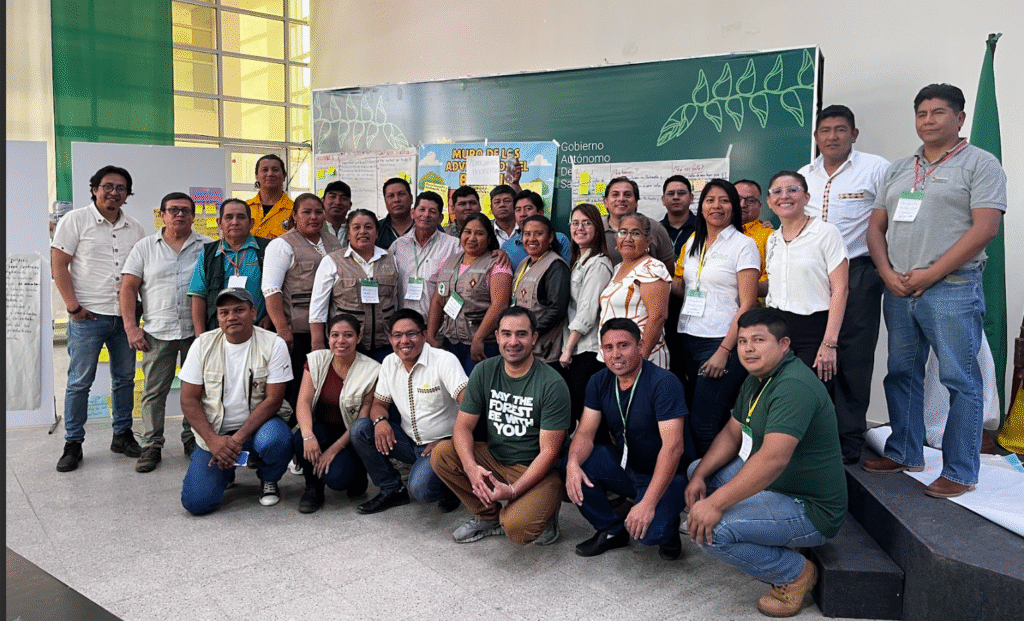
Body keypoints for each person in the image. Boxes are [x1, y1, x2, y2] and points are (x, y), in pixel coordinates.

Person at [865, 83, 1006, 498]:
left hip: (953, 288)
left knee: (960, 379)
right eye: (922, 113)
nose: (928, 120)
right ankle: (906, 451)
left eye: (938, 112)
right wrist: (887, 273)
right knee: (902, 373)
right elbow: (876, 227)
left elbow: (985, 229)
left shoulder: (980, 164)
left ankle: (961, 470)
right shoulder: (897, 169)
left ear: (959, 118)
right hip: (899, 289)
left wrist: (928, 275)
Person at [685, 308, 847, 618]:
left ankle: (794, 574)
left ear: (784, 344)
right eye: (743, 340)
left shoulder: (793, 386)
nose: (747, 348)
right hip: (777, 485)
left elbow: (773, 460)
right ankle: (763, 536)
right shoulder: (758, 378)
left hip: (808, 506)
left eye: (758, 340)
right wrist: (700, 476)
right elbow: (733, 434)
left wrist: (715, 504)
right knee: (699, 472)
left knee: (713, 532)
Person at [798, 105, 891, 465]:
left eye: (840, 130)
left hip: (858, 272)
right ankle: (816, 435)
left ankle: (848, 438)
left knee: (852, 357)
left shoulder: (876, 168)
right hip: (813, 274)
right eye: (825, 130)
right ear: (817, 136)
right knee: (812, 356)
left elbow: (889, 221)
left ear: (854, 134)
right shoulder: (805, 175)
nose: (832, 136)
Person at [431, 307, 570, 546]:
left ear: (534, 338)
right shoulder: (484, 370)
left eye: (521, 334)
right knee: (442, 454)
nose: (513, 342)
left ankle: (546, 510)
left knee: (517, 529)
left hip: (533, 468)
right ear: (496, 337)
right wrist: (471, 467)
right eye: (506, 334)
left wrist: (514, 491)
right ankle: (488, 516)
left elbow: (549, 452)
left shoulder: (551, 383)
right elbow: (463, 426)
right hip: (494, 459)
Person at [564, 318, 691, 560]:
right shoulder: (599, 381)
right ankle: (612, 529)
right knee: (573, 463)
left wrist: (648, 503)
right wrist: (572, 464)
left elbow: (673, 448)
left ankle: (668, 527)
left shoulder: (663, 383)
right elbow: (585, 432)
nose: (616, 354)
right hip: (628, 467)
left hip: (668, 473)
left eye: (624, 345)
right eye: (609, 348)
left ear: (641, 347)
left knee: (648, 534)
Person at [52, 165, 146, 472]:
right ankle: (73, 443)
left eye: (121, 188)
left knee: (124, 379)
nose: (114, 193)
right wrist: (73, 307)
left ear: (127, 195)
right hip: (87, 318)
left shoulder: (135, 228)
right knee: (80, 382)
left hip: (125, 319)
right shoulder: (75, 220)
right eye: (108, 186)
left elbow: (140, 273)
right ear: (94, 189)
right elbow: (59, 266)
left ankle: (122, 434)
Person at [179, 288, 294, 515]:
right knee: (197, 503)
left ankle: (268, 479)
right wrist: (213, 441)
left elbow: (273, 400)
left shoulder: (274, 344)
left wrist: (236, 441)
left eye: (239, 310)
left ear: (253, 312)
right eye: (224, 312)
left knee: (276, 440)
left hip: (259, 427)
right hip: (216, 431)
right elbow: (188, 400)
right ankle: (227, 470)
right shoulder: (202, 345)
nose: (231, 317)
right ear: (218, 317)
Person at [120, 192, 211, 472]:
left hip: (197, 333)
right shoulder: (145, 247)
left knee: (197, 391)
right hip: (157, 332)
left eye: (185, 210)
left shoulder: (207, 247)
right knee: (153, 392)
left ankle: (191, 439)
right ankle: (151, 445)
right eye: (173, 210)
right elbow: (128, 288)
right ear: (162, 215)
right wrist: (131, 327)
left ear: (194, 216)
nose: (179, 215)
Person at [671, 179, 759, 455]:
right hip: (689, 336)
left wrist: (724, 350)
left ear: (734, 207)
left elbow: (747, 305)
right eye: (710, 200)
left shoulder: (744, 245)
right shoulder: (693, 242)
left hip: (721, 341)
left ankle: (713, 489)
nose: (716, 206)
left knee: (704, 423)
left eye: (724, 200)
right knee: (709, 418)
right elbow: (685, 288)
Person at [350, 310, 466, 514]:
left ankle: (452, 485)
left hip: (443, 445)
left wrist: (449, 442)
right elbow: (378, 404)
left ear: (423, 335)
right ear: (390, 339)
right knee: (361, 429)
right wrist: (379, 422)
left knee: (421, 490)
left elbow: (470, 405)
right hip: (410, 442)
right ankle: (392, 489)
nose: (405, 341)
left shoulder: (444, 360)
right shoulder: (389, 362)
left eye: (411, 334)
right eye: (398, 335)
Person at [764, 171, 848, 383]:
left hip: (813, 331)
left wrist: (829, 343)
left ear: (807, 198)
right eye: (777, 191)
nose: (784, 196)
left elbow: (840, 289)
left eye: (793, 190)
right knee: (774, 393)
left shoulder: (827, 233)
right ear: (769, 201)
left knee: (803, 395)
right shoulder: (772, 239)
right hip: (776, 330)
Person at [262, 193, 343, 408]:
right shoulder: (282, 245)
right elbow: (271, 290)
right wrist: (282, 329)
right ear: (295, 216)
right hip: (298, 330)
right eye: (306, 212)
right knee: (300, 386)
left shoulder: (333, 242)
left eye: (318, 212)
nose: (313, 217)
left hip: (331, 328)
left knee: (328, 387)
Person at [292, 313, 379, 513]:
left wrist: (332, 452)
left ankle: (357, 473)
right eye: (334, 335)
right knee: (299, 439)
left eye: (348, 335)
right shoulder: (316, 360)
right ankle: (313, 488)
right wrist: (307, 435)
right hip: (322, 428)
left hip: (350, 435)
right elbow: (303, 402)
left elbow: (362, 421)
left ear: (358, 337)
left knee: (338, 479)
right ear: (328, 337)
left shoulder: (372, 370)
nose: (340, 341)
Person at [427, 213, 512, 374]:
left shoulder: (497, 264)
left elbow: (500, 306)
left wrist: (478, 339)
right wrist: (431, 336)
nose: (472, 238)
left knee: (473, 393)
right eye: (467, 232)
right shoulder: (451, 261)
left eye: (479, 233)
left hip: (483, 344)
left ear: (488, 238)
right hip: (450, 341)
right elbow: (438, 300)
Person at [309, 209, 398, 362]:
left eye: (368, 227)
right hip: (347, 346)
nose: (363, 232)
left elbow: (396, 300)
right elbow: (318, 307)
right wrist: (317, 344)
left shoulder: (390, 259)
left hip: (385, 343)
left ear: (377, 232)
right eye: (356, 227)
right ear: (348, 234)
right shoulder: (332, 261)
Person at [559, 203, 614, 426]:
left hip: (586, 350)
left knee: (588, 416)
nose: (579, 228)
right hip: (575, 349)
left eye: (586, 223)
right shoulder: (579, 261)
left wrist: (568, 348)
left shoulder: (599, 263)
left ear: (598, 228)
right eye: (575, 223)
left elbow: (587, 311)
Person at [599, 213, 672, 369]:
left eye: (636, 233)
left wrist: (639, 361)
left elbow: (658, 317)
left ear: (648, 240)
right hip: (616, 359)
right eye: (623, 232)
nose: (628, 238)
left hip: (642, 361)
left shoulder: (652, 268)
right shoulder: (618, 268)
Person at [188, 198, 271, 334]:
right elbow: (198, 295)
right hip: (218, 331)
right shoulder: (208, 253)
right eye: (228, 217)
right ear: (219, 223)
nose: (235, 222)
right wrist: (200, 335)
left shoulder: (267, 249)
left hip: (261, 330)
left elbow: (281, 289)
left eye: (241, 217)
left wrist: (271, 317)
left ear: (251, 223)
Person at [391, 191, 461, 320]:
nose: (426, 215)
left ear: (440, 218)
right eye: (422, 209)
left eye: (432, 211)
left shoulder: (454, 246)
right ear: (413, 213)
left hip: (438, 325)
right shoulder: (398, 246)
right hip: (405, 323)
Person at [511, 215, 570, 366]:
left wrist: (530, 332)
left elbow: (556, 310)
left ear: (550, 237)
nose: (532, 239)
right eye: (527, 234)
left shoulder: (556, 266)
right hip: (522, 348)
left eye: (538, 234)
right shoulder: (525, 263)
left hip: (544, 352)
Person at [661, 175, 697, 387]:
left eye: (681, 193)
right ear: (662, 199)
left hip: (696, 308)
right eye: (671, 194)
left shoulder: (704, 228)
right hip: (663, 308)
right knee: (670, 367)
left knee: (693, 368)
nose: (676, 197)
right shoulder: (654, 230)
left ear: (691, 198)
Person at [601, 176, 676, 271]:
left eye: (627, 195)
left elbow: (668, 271)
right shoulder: (596, 229)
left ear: (636, 202)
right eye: (615, 195)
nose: (621, 199)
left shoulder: (655, 228)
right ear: (605, 202)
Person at [500, 190, 571, 269]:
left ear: (541, 213)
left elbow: (565, 272)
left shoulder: (560, 239)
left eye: (528, 208)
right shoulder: (507, 247)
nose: (522, 214)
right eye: (518, 210)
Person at [735, 179, 773, 298]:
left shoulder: (771, 237)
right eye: (737, 198)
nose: (742, 205)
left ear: (760, 205)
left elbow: (772, 281)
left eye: (750, 200)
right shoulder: (711, 235)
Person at [247, 154, 293, 239]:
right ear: (257, 176)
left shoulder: (295, 210)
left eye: (275, 170)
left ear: (284, 176)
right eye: (265, 170)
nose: (270, 174)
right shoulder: (245, 208)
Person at [376, 177, 414, 249]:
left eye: (401, 194)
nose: (396, 200)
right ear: (385, 201)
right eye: (391, 196)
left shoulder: (426, 226)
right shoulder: (377, 229)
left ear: (411, 198)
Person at [322, 180, 352, 244]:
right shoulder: (314, 228)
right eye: (332, 197)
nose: (337, 202)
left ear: (350, 205)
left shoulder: (355, 230)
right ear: (322, 201)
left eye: (343, 198)